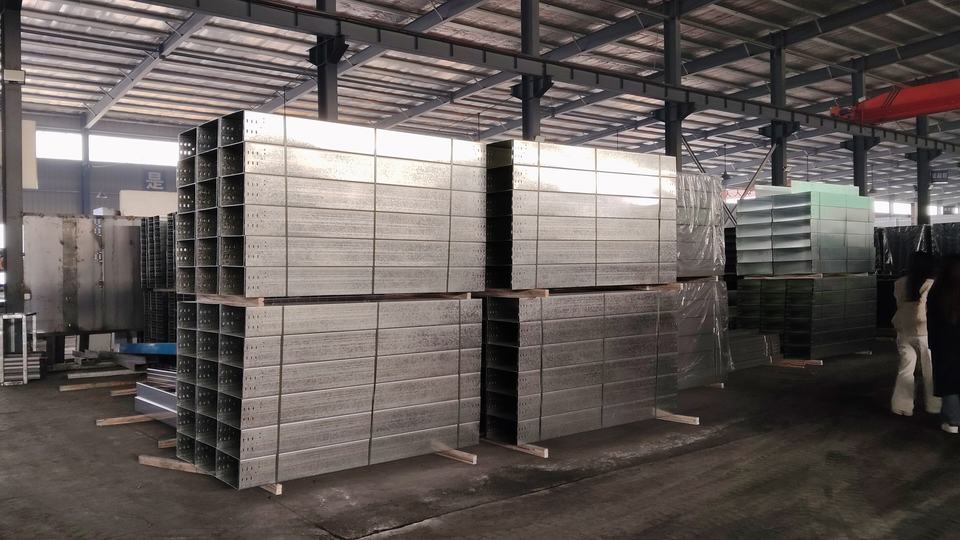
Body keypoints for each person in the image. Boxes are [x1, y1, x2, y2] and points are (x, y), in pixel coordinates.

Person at [891, 251, 939, 416]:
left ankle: (902, 406)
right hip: (925, 330)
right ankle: (934, 406)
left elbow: (899, 304)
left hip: (904, 329)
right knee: (930, 369)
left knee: (906, 368)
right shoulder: (931, 283)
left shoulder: (900, 283)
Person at [927, 255, 960, 434]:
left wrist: (933, 344)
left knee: (949, 382)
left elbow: (931, 321)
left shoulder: (937, 291)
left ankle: (953, 421)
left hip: (944, 345)